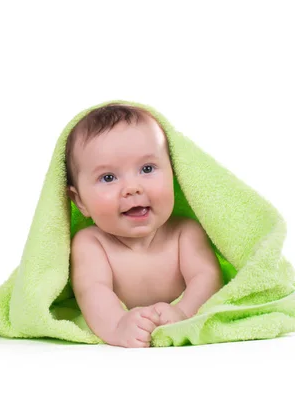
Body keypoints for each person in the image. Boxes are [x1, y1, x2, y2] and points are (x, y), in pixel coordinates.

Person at [65, 103, 223, 348]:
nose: (132, 188)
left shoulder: (185, 233)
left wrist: (183, 313)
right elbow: (93, 292)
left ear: (175, 173)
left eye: (147, 168)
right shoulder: (91, 243)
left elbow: (207, 279)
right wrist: (119, 325)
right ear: (80, 201)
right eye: (108, 177)